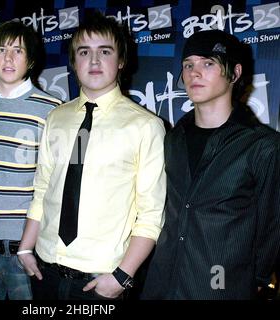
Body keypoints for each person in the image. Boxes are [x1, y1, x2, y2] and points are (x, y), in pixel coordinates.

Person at [17, 11, 166, 300]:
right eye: (84, 52)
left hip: (101, 283)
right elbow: (43, 189)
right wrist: (25, 247)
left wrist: (122, 276)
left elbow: (150, 214)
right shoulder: (56, 118)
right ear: (74, 62)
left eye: (105, 51)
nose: (94, 61)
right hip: (44, 272)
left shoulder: (145, 126)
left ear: (121, 60)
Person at [141, 29, 280, 300]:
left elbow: (272, 226)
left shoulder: (263, 146)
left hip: (222, 289)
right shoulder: (170, 140)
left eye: (208, 63)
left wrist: (252, 280)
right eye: (188, 65)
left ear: (235, 73)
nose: (195, 73)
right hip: (160, 285)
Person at [0, 20, 61, 300]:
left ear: (30, 60)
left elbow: (57, 184)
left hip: (25, 252)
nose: (8, 57)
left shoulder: (52, 109)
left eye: (18, 51)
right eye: (1, 49)